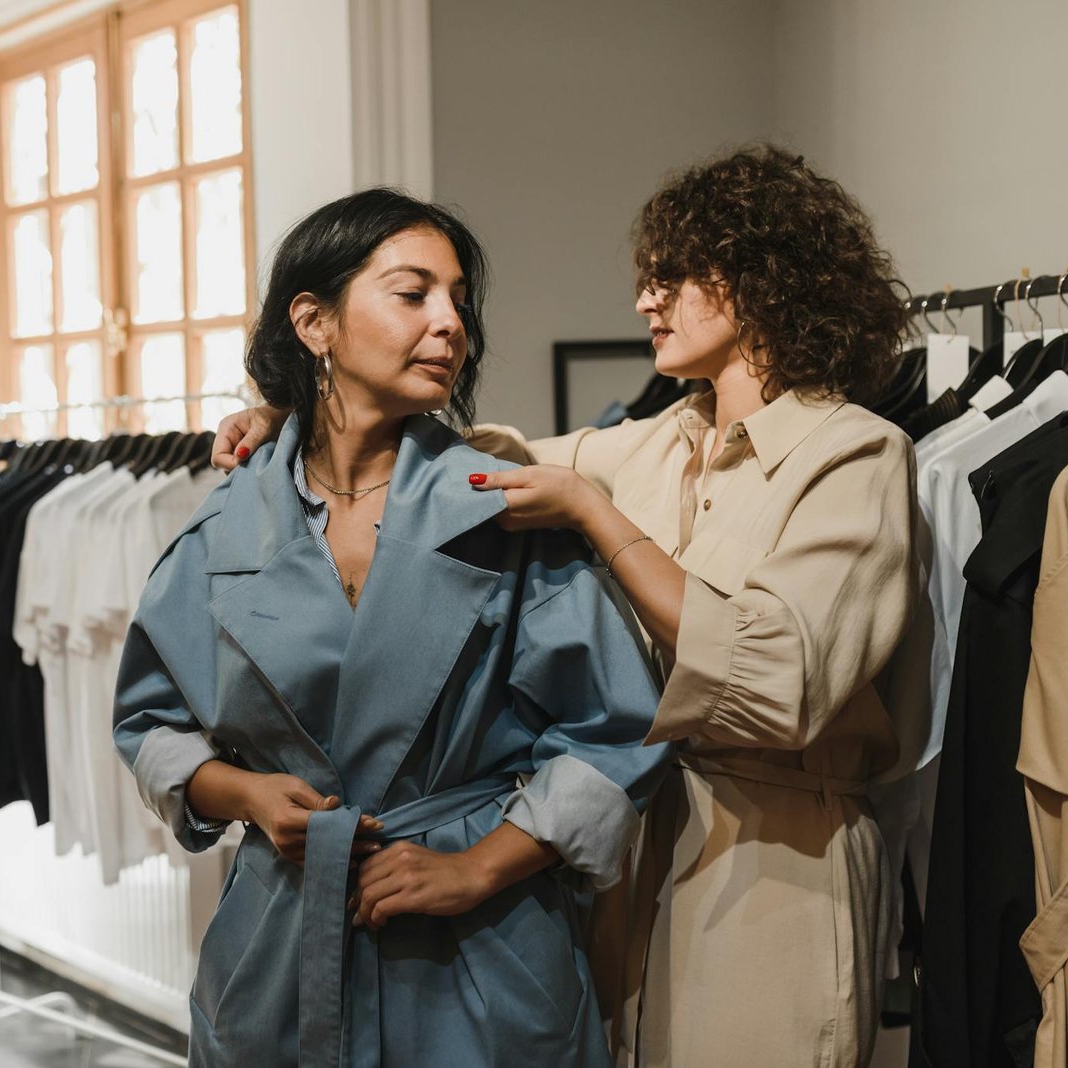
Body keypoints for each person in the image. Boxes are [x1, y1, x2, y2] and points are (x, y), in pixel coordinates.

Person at [213, 147, 924, 1067]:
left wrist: (596, 514)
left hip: (777, 859)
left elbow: (783, 678)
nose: (645, 301)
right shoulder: (665, 443)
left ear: (756, 280)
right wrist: (298, 413)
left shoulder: (855, 455)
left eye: (671, 277)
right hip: (639, 852)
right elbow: (472, 456)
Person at [113, 188, 670, 1067]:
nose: (450, 323)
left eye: (458, 300)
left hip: (481, 950)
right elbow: (150, 725)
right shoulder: (226, 529)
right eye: (414, 295)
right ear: (315, 321)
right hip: (280, 943)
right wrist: (246, 794)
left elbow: (615, 729)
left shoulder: (505, 510)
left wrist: (479, 867)